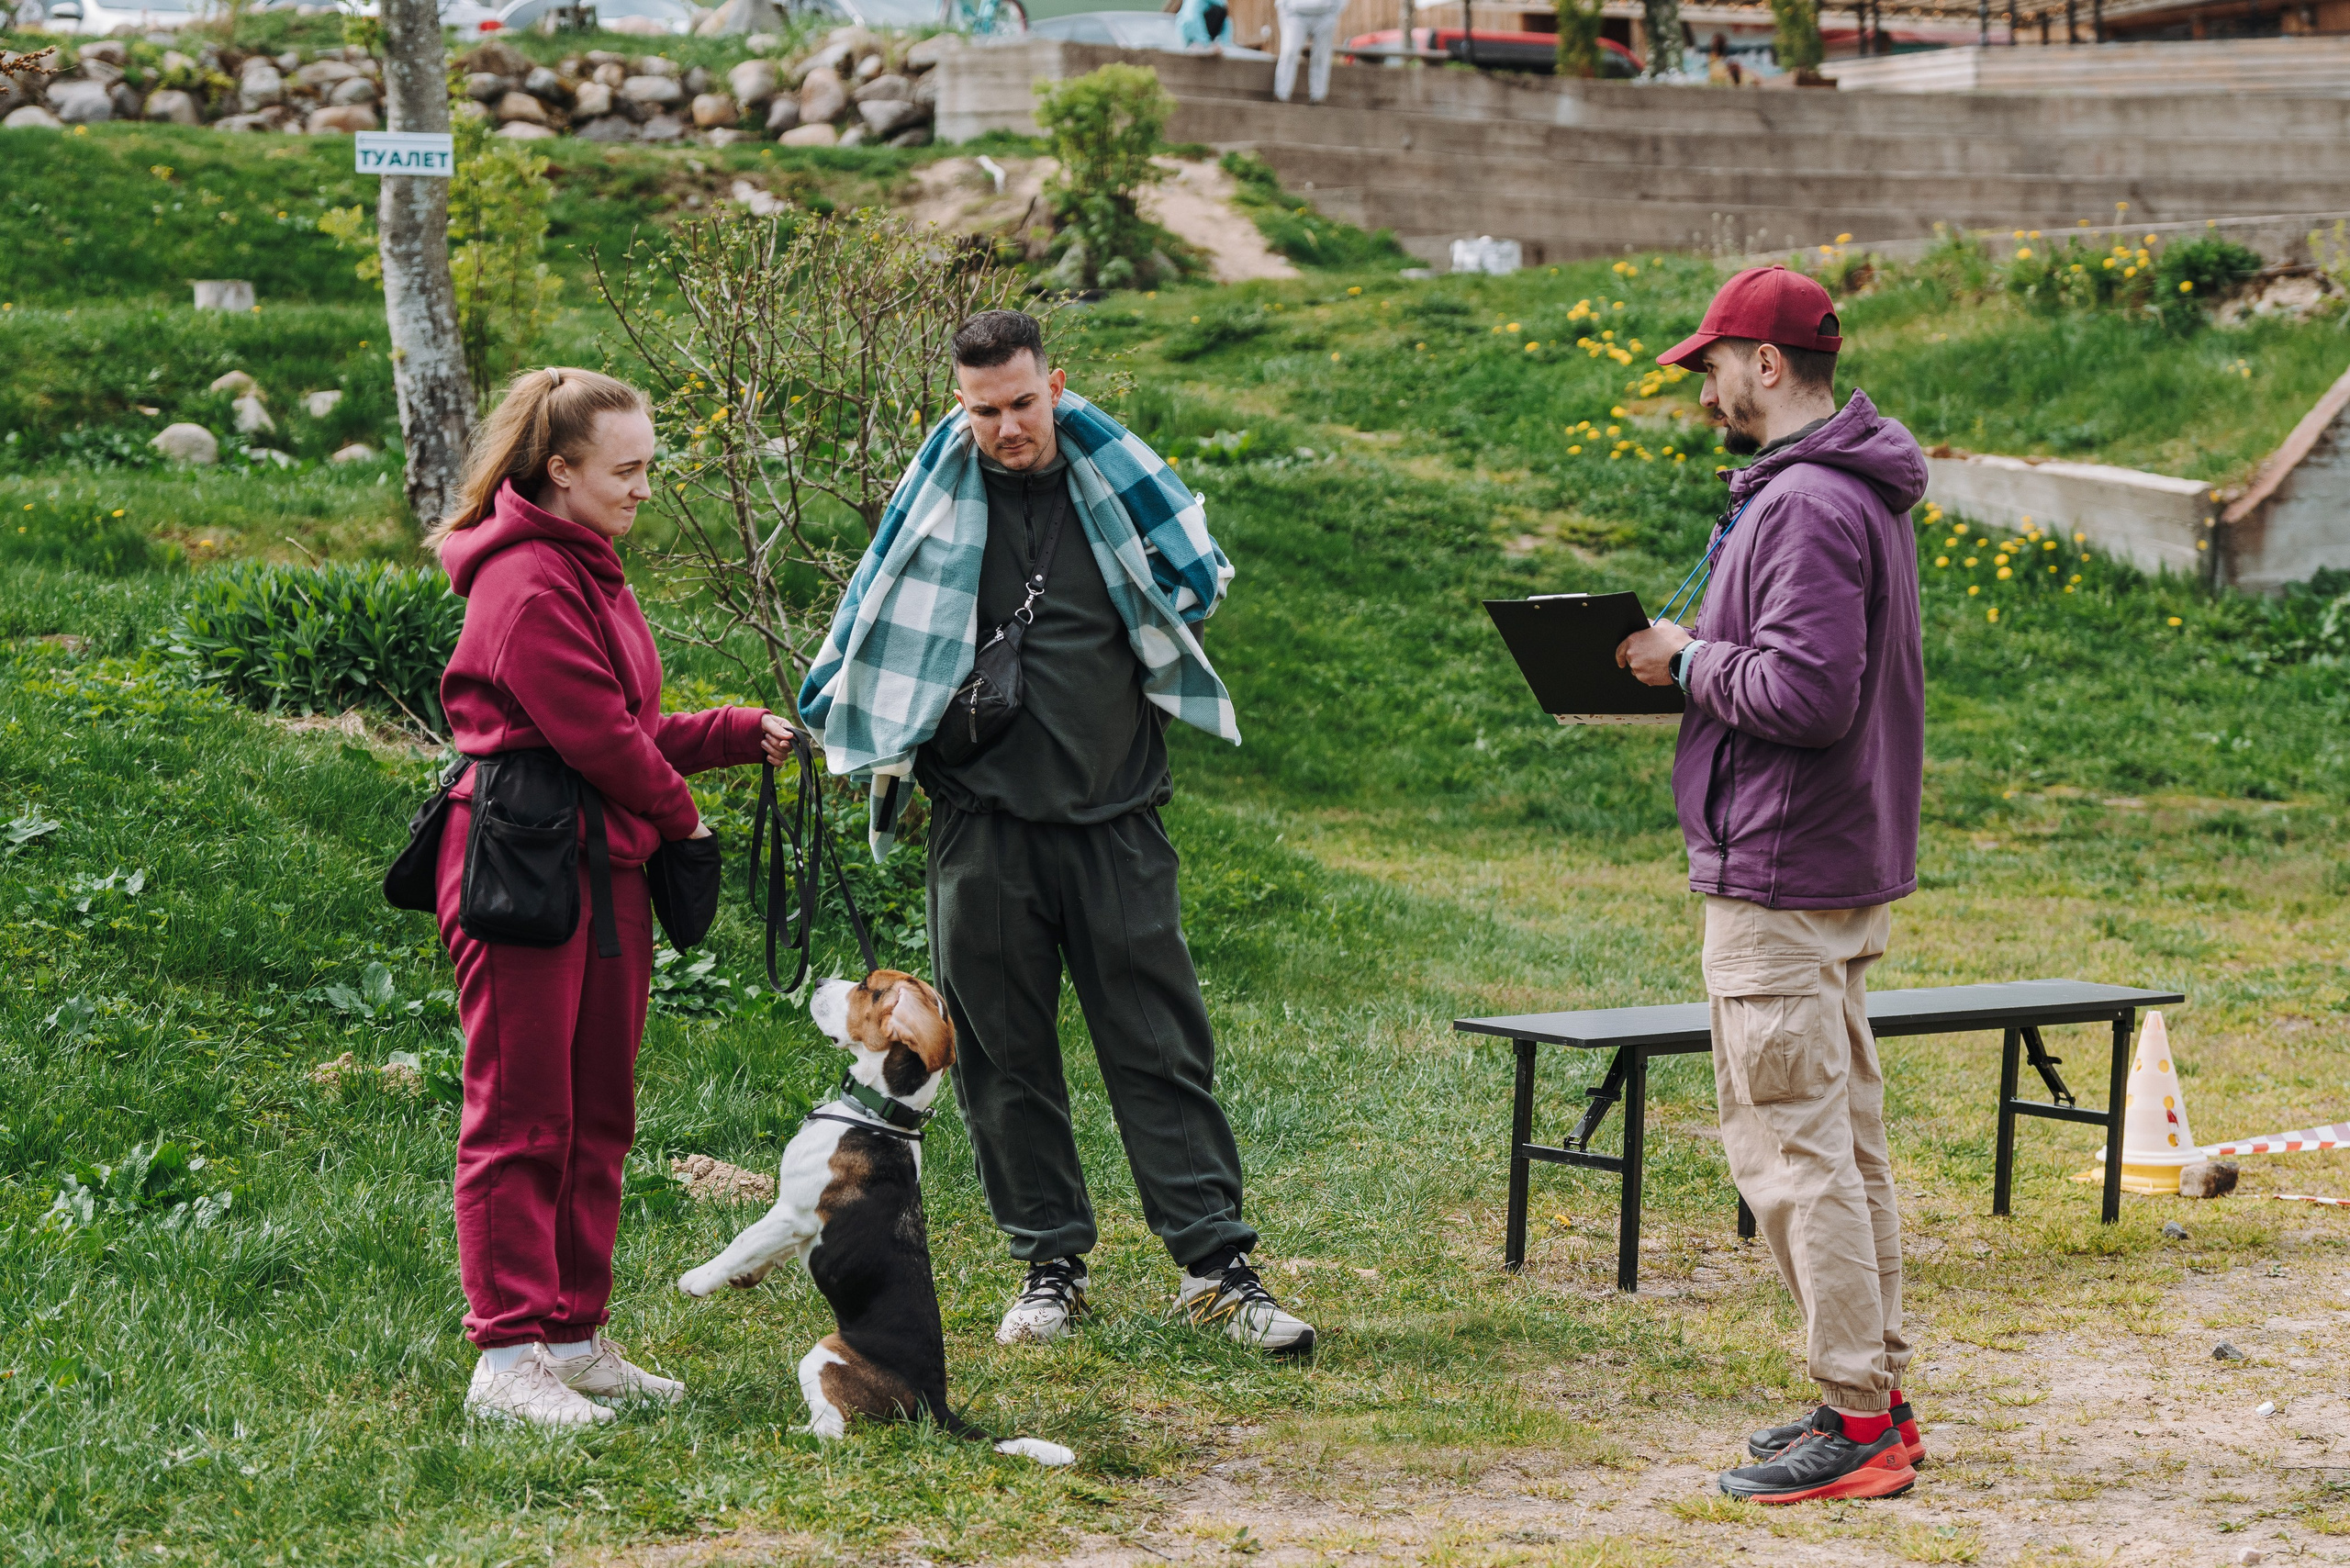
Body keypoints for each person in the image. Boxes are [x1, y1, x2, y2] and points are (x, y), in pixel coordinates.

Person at [798, 310, 1315, 1359]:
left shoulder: (1114, 489)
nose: (1006, 428)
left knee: (1159, 1048)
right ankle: (1049, 1265)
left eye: (1023, 403)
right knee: (1000, 1058)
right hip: (981, 834)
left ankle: (1216, 1266)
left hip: (1116, 822)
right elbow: (871, 633)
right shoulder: (932, 509)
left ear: (1055, 385)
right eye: (983, 410)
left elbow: (1189, 583)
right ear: (961, 404)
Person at [429, 367, 799, 1428]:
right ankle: (505, 1362)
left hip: (598, 863)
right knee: (521, 1110)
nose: (644, 488)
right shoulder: (525, 579)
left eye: (647, 466)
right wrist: (687, 822)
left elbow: (616, 724)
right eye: (625, 470)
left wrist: (727, 732)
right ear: (561, 470)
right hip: (523, 865)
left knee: (598, 1111)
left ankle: (574, 1338)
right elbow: (592, 740)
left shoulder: (591, 567)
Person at [1615, 266, 1930, 1505]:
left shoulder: (1803, 501)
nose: (1703, 387)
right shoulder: (1848, 491)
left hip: (1783, 867)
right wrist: (1699, 659)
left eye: (1712, 365)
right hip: (1830, 859)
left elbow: (1804, 696)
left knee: (1794, 1156)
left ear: (1768, 362)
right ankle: (1875, 1396)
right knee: (1843, 1147)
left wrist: (1688, 659)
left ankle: (1856, 1428)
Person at [1274, 0, 1344, 104]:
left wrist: (1334, 10)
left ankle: (1318, 97)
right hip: (1294, 13)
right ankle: (1281, 95)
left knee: (1321, 55)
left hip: (1325, 13)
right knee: (1289, 52)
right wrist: (1283, 6)